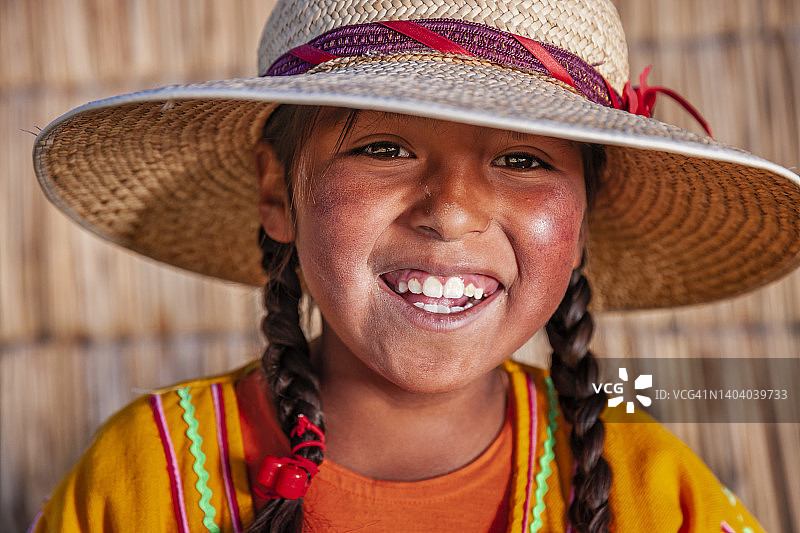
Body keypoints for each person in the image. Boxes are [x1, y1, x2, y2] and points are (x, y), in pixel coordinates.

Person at [28, 0, 800, 531]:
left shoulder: (654, 492)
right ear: (277, 189)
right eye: (384, 148)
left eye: (524, 158)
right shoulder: (143, 477)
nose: (452, 211)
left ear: (584, 216)